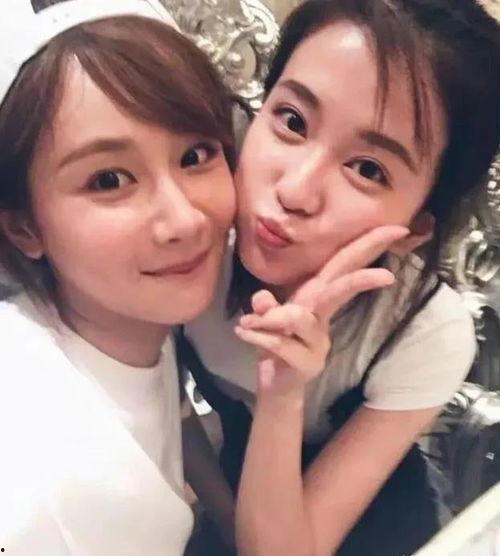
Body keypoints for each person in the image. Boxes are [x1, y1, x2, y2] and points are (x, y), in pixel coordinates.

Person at [180, 0, 500, 554]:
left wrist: (284, 392)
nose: (294, 191)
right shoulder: (183, 239)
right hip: (228, 495)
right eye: (292, 121)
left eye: (368, 169)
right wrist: (225, 519)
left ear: (414, 228)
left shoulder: (423, 329)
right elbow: (167, 402)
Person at [0, 1, 236, 554]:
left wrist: (234, 524)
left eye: (195, 155)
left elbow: (172, 407)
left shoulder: (126, 319)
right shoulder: (54, 493)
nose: (185, 220)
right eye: (108, 180)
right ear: (25, 228)